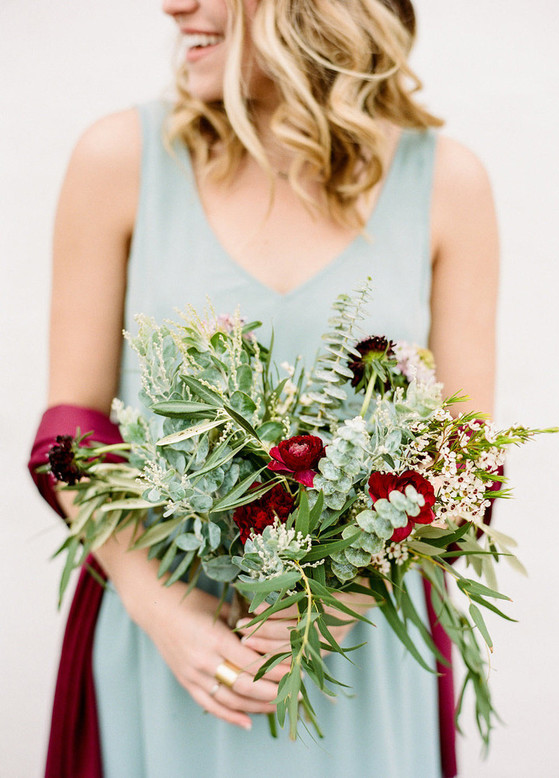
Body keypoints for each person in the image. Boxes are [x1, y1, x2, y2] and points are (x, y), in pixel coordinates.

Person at [29, 1, 499, 776]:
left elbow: (466, 467)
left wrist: (327, 609)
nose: (174, 5)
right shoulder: (119, 159)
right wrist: (161, 609)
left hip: (361, 660)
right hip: (163, 651)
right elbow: (69, 434)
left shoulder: (447, 183)